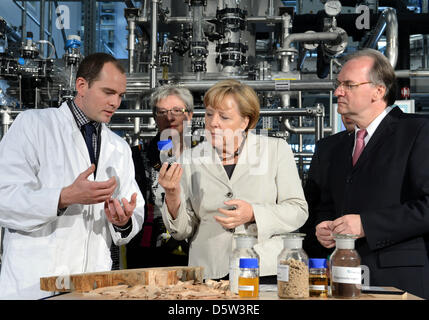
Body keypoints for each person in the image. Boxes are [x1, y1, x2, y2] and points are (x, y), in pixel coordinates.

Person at [0, 53, 145, 299]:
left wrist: (123, 221)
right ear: (81, 86)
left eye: (120, 95)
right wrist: (63, 197)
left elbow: (135, 208)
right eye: (108, 92)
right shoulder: (33, 126)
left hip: (93, 285)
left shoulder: (118, 148)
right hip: (34, 284)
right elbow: (5, 198)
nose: (115, 102)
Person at [158, 79, 308, 282]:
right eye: (209, 114)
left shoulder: (275, 150)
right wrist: (172, 194)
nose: (213, 122)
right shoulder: (190, 158)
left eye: (224, 116)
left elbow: (298, 210)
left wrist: (254, 213)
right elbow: (182, 230)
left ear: (245, 121)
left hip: (264, 269)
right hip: (209, 272)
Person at [315, 48, 429, 298]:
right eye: (338, 84)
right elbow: (327, 205)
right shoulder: (339, 146)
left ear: (379, 91)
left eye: (348, 85)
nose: (337, 92)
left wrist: (366, 224)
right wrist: (324, 226)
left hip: (397, 279)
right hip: (343, 278)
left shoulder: (418, 132)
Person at [127, 85, 194, 268]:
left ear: (189, 115)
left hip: (194, 254)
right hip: (147, 256)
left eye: (177, 111)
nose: (170, 118)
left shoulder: (205, 156)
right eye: (162, 112)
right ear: (155, 117)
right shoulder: (135, 156)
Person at [302, 115, 355, 259]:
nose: (347, 116)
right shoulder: (327, 147)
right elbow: (313, 201)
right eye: (343, 112)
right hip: (329, 249)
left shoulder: (394, 143)